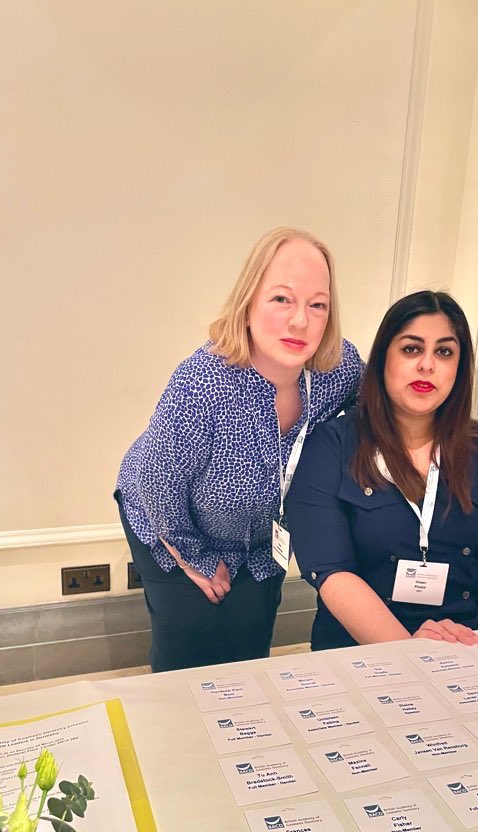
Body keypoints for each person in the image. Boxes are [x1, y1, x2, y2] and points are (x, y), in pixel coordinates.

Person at [115, 227, 363, 672]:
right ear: (248, 303)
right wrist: (196, 559)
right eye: (282, 299)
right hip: (170, 516)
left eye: (317, 305)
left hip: (259, 538)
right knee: (189, 639)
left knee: (250, 644)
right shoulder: (202, 384)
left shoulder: (338, 370)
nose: (300, 321)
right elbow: (156, 482)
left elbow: (382, 403)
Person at [286, 290, 478, 650]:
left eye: (444, 352)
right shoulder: (331, 447)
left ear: (459, 368)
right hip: (365, 650)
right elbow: (333, 574)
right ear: (383, 360)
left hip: (470, 643)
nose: (427, 365)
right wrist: (411, 649)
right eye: (411, 349)